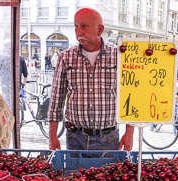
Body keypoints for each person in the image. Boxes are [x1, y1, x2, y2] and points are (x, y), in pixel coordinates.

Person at [48, 8, 134, 151]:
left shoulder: (119, 56)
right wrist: (52, 136)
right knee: (74, 174)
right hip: (75, 137)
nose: (78, 32)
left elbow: (130, 97)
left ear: (100, 30)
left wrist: (129, 133)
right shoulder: (66, 57)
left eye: (84, 26)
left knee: (107, 174)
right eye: (76, 26)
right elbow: (56, 100)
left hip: (109, 138)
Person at [0, 39, 12, 108]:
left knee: (5, 96)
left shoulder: (1, 56)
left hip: (4, 80)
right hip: (12, 80)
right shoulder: (14, 56)